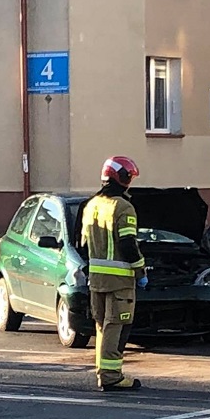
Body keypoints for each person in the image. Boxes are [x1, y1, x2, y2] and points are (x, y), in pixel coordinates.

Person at [79, 156, 147, 391]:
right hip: (119, 280)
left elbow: (83, 245)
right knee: (117, 326)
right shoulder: (123, 207)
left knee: (102, 326)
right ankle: (111, 375)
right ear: (123, 178)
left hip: (96, 279)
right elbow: (128, 244)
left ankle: (105, 372)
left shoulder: (91, 205)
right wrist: (140, 269)